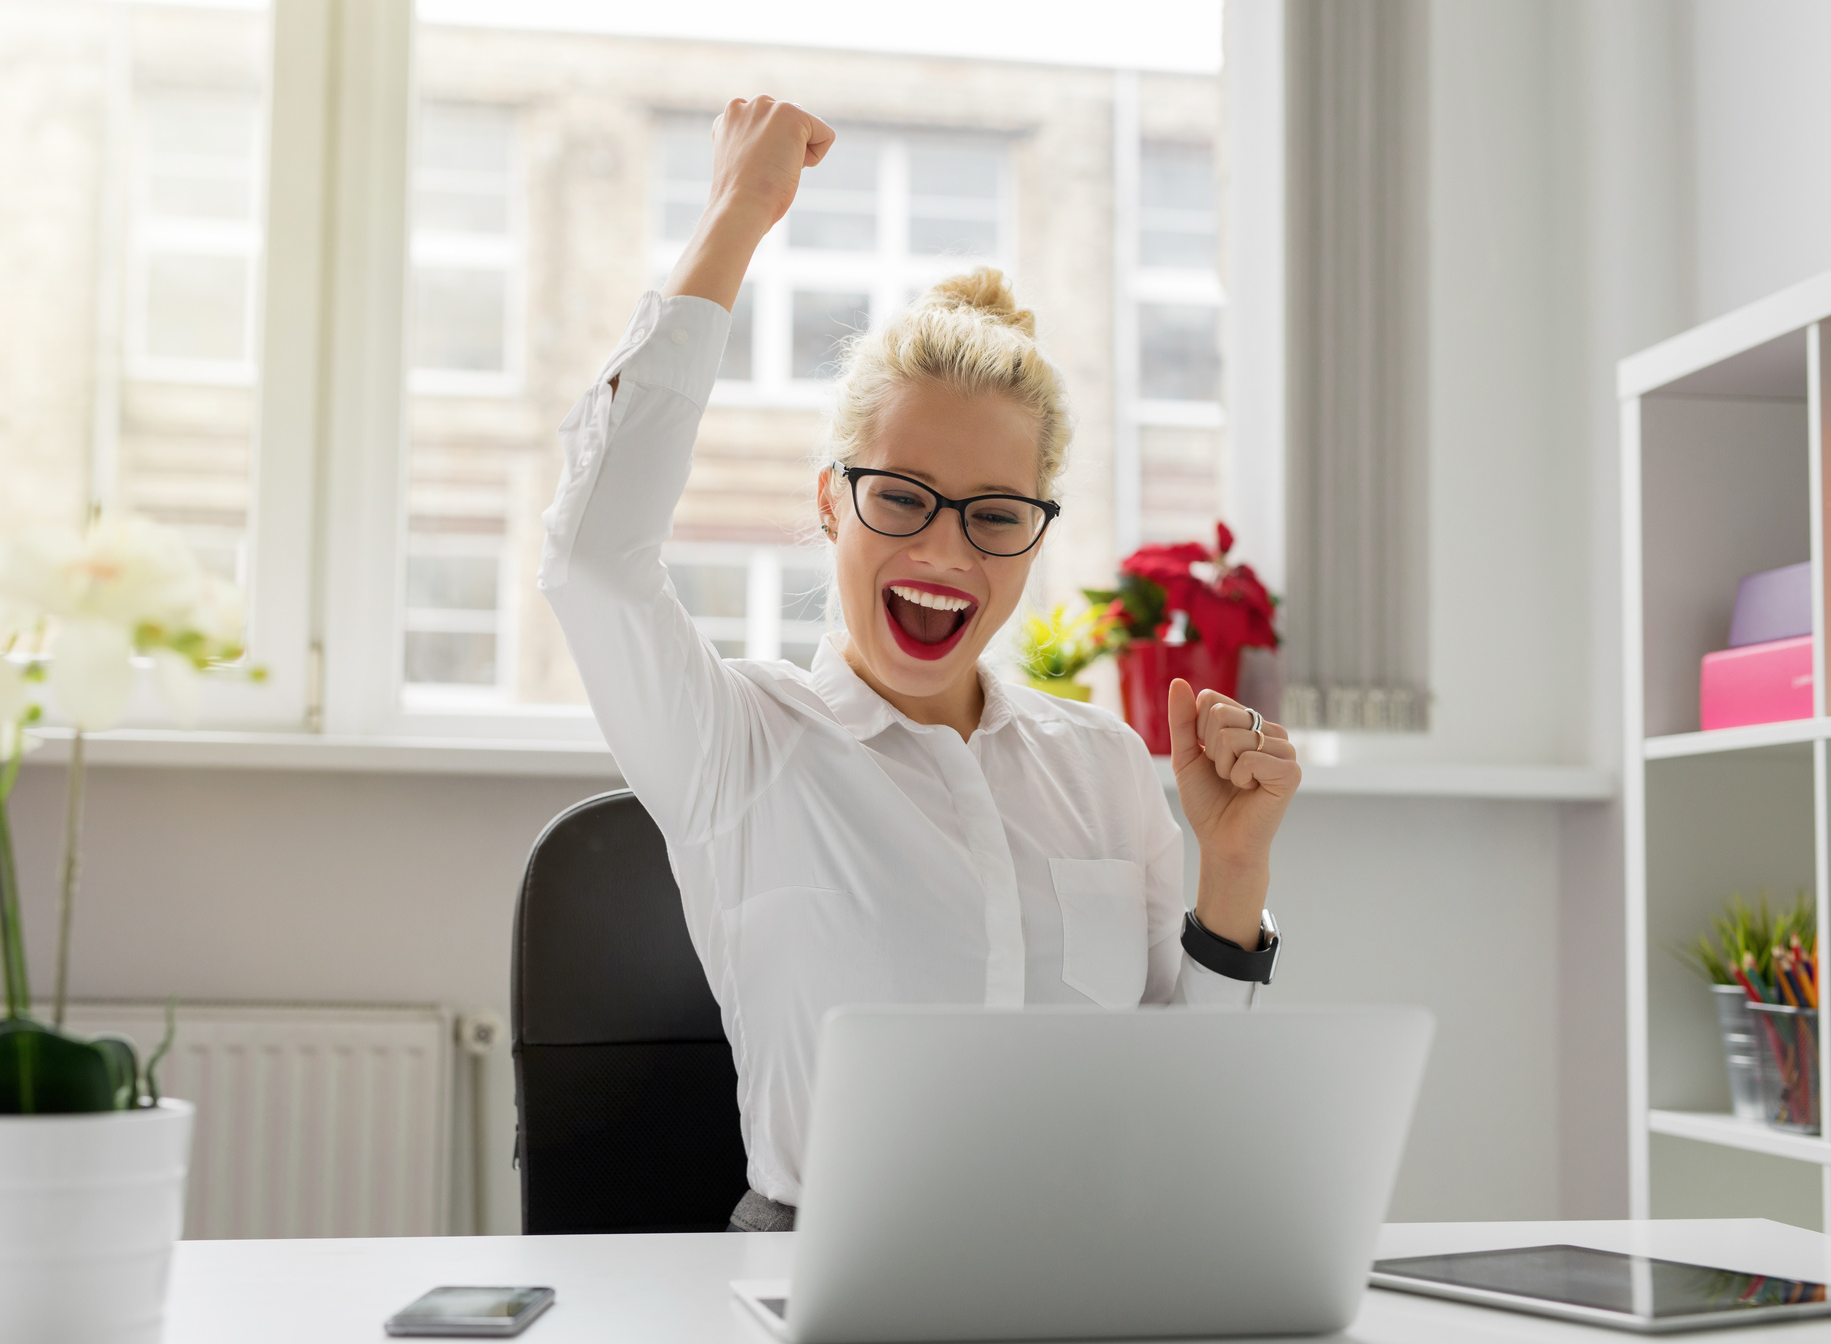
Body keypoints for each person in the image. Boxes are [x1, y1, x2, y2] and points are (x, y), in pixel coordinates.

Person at [540, 97, 1302, 1233]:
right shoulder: (739, 745)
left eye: (994, 514)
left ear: (1037, 534)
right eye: (900, 498)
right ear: (829, 503)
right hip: (828, 1267)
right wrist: (737, 218)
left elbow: (1181, 1107)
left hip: (1082, 1268)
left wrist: (1233, 873)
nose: (943, 552)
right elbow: (596, 555)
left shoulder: (1097, 766)